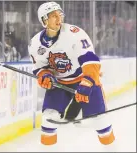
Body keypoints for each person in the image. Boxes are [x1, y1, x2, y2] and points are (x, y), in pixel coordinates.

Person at [28, 2, 115, 146]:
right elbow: (40, 68)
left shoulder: (74, 33)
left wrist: (87, 82)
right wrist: (45, 76)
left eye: (59, 15)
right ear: (44, 20)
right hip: (60, 83)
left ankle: (113, 149)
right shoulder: (35, 44)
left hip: (83, 78)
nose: (59, 19)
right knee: (48, 119)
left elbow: (91, 61)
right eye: (53, 16)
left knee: (101, 122)